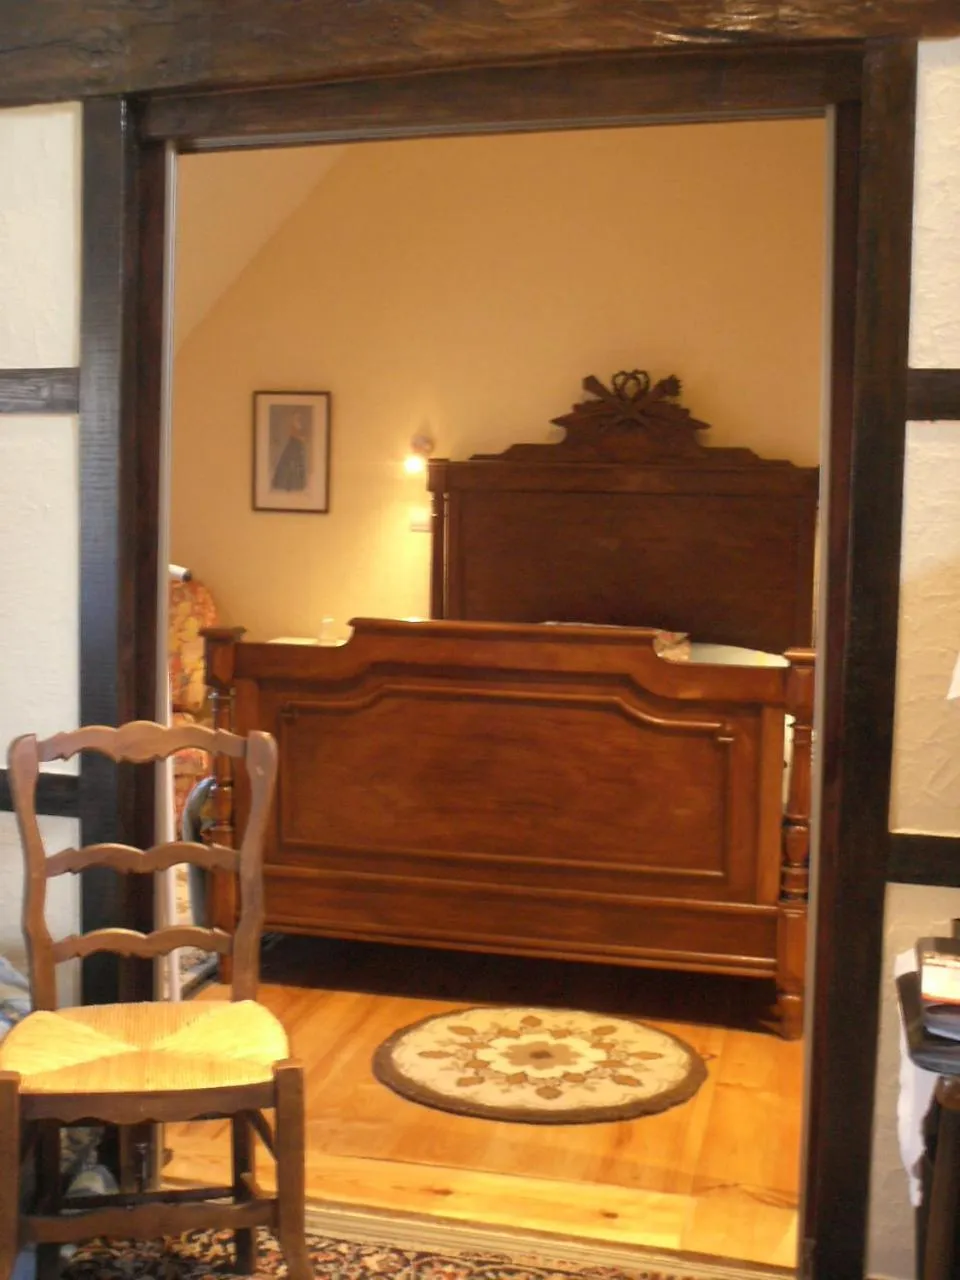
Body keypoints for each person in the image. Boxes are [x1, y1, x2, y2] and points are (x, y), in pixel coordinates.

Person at [271, 410, 310, 491]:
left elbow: (302, 436)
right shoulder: (293, 426)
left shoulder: (299, 426)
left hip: (298, 446)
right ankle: (285, 484)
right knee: (288, 463)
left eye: (298, 417)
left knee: (297, 464)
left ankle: (296, 485)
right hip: (293, 445)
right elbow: (294, 435)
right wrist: (301, 438)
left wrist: (302, 439)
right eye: (295, 417)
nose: (296, 418)